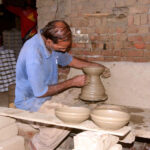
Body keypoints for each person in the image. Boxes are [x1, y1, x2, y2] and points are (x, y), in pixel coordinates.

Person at [15, 20, 110, 150]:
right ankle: (36, 146)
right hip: (29, 102)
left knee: (76, 107)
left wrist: (97, 66)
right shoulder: (33, 54)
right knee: (69, 117)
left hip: (46, 97)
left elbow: (70, 60)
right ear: (49, 41)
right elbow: (40, 92)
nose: (64, 50)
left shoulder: (51, 44)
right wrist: (72, 82)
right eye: (61, 48)